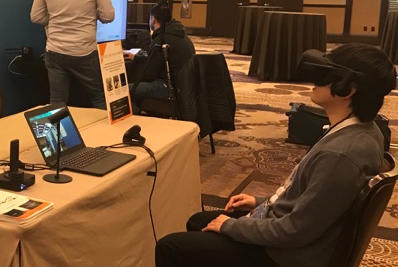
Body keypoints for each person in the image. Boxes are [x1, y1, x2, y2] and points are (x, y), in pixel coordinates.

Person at [155, 43, 396, 267]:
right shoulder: (365, 130)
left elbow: (295, 230)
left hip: (288, 256)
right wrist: (259, 202)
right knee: (199, 221)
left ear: (347, 89)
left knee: (171, 247)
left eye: (324, 75)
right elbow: (314, 199)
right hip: (297, 235)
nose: (313, 81)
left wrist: (231, 227)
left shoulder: (341, 154)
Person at [31, 0, 114, 109]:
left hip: (55, 51)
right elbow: (108, 16)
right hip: (85, 51)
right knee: (99, 97)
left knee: (57, 100)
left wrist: (55, 20)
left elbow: (36, 16)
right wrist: (92, 14)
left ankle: (56, 128)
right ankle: (103, 127)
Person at [126, 2, 195, 115]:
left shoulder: (162, 39)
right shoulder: (179, 33)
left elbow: (150, 74)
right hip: (183, 86)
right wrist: (137, 58)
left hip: (168, 86)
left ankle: (139, 115)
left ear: (153, 19)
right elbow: (158, 60)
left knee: (124, 90)